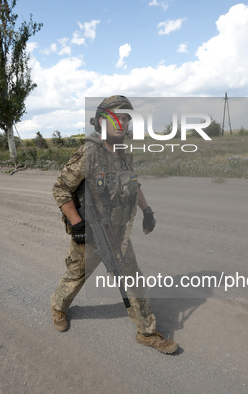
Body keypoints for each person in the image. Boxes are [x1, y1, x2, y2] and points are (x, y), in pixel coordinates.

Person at [50, 95, 179, 354]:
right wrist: (77, 225)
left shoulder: (122, 153)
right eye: (117, 118)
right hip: (91, 234)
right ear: (102, 121)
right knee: (76, 276)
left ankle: (147, 332)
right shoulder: (90, 152)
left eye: (126, 119)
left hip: (118, 233)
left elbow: (133, 183)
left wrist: (147, 210)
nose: (123, 124)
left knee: (133, 279)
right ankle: (58, 308)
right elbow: (61, 188)